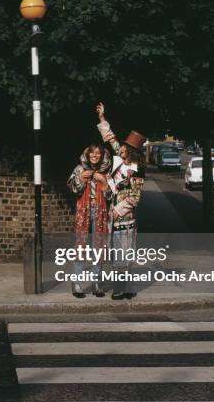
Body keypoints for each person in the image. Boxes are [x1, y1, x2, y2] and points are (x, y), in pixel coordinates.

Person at [95, 102, 146, 300]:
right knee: (118, 252)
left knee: (124, 252)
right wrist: (101, 118)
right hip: (113, 214)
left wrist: (118, 210)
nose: (121, 148)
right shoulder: (119, 162)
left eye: (125, 147)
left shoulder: (136, 170)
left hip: (125, 217)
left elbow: (135, 197)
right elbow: (110, 138)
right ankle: (124, 288)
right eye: (122, 146)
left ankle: (121, 289)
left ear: (131, 151)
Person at [67, 144, 112, 298]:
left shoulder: (106, 171)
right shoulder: (79, 169)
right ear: (87, 155)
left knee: (99, 246)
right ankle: (77, 283)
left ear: (102, 155)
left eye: (98, 153)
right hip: (84, 210)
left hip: (100, 211)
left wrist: (104, 182)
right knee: (81, 246)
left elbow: (111, 197)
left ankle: (96, 283)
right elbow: (73, 189)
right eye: (92, 153)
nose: (95, 155)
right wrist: (80, 178)